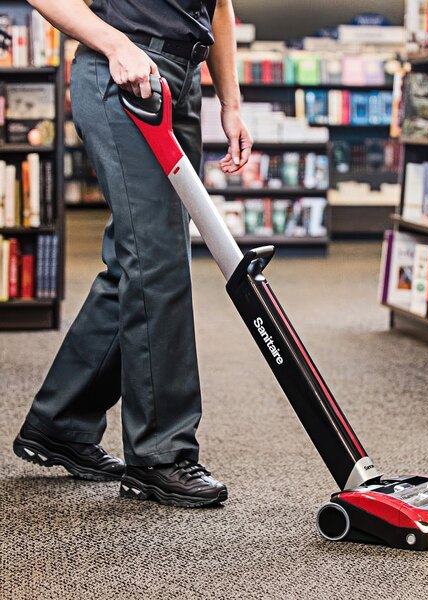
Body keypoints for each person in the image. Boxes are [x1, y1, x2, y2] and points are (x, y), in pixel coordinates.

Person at [13, 0, 252, 508]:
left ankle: (60, 422)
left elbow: (221, 7)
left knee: (137, 263)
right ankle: (160, 457)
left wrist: (230, 103)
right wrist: (116, 43)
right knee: (159, 265)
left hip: (180, 79)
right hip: (124, 72)